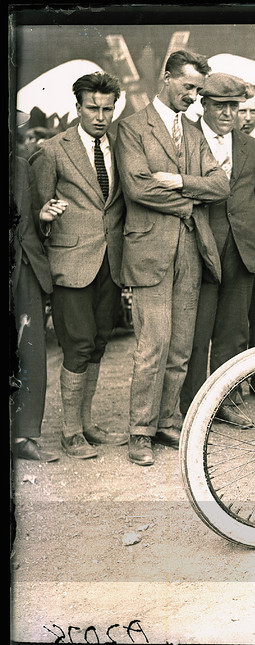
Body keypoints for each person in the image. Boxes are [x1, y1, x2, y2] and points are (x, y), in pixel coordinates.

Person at [116, 49, 230, 466]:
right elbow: (138, 188)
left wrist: (180, 180)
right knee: (154, 343)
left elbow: (220, 185)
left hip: (191, 251)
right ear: (166, 78)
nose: (195, 96)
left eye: (199, 90)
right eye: (189, 87)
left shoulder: (195, 132)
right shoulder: (132, 128)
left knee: (181, 346)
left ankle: (167, 420)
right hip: (150, 250)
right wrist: (187, 203)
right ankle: (139, 432)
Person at [30, 72, 128, 460]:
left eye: (107, 109)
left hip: (111, 261)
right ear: (78, 107)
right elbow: (35, 211)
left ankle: (86, 423)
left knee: (100, 342)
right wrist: (44, 214)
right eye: (93, 108)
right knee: (78, 345)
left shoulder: (122, 146)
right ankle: (70, 433)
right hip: (70, 262)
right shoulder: (54, 149)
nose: (100, 116)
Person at [179, 73, 255, 424]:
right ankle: (194, 407)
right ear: (204, 104)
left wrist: (240, 227)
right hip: (201, 248)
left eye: (234, 106)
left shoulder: (250, 145)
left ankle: (224, 403)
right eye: (221, 105)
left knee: (233, 332)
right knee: (198, 332)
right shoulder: (188, 139)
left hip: (242, 248)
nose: (229, 113)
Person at [11, 112, 59, 462]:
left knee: (29, 351)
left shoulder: (21, 166)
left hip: (24, 267)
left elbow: (28, 218)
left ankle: (24, 436)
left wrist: (42, 218)